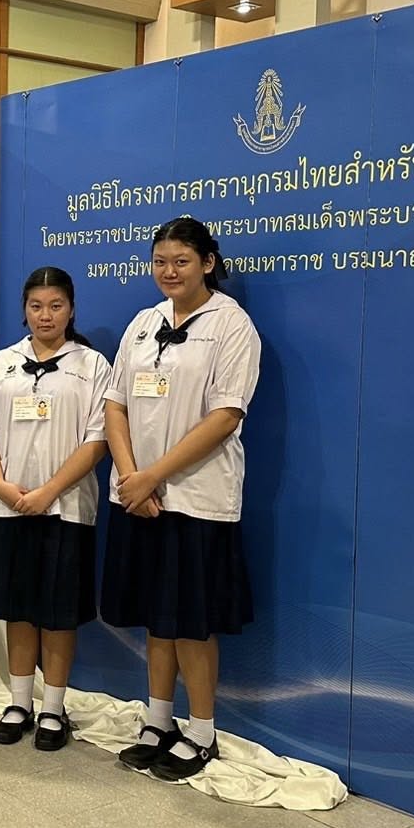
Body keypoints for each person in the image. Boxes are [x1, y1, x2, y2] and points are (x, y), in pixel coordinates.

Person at [103, 216, 261, 782]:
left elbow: (225, 416)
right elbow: (115, 403)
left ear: (208, 263)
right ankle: (157, 720)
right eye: (160, 262)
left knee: (192, 623)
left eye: (182, 261)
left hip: (197, 499)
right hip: (138, 496)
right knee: (156, 616)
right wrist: (131, 476)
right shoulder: (143, 323)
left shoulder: (232, 325)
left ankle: (202, 732)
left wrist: (153, 476)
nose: (169, 272)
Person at [0, 267, 111, 751]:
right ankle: (19, 702)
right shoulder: (1, 364)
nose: (45, 315)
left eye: (55, 306)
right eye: (36, 306)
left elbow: (98, 439)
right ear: (24, 310)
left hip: (65, 507)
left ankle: (53, 707)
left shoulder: (92, 365)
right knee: (18, 609)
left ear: (71, 309)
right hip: (5, 506)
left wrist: (48, 491)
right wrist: (0, 485)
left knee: (58, 612)